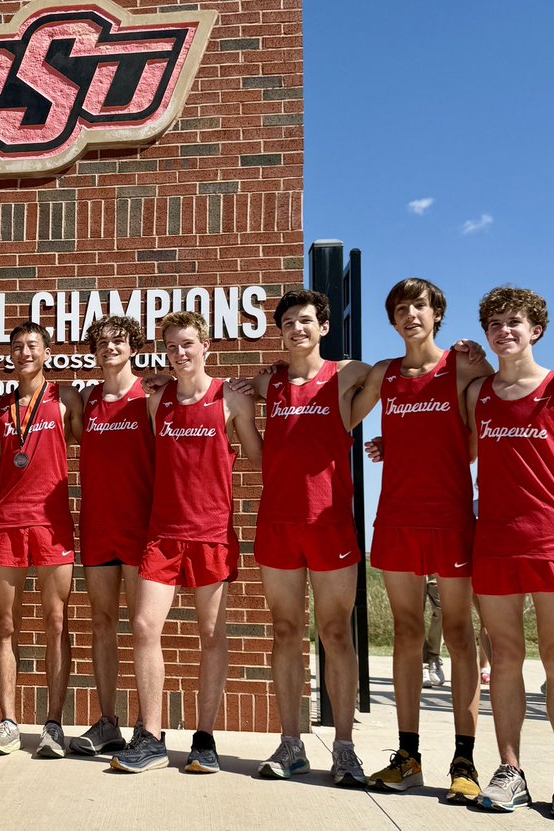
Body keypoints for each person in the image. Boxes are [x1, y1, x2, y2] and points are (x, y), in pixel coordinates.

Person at [353, 278, 554, 798]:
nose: (409, 315)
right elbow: (344, 415)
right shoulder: (387, 374)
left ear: (437, 313)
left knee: (461, 636)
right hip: (397, 517)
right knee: (410, 634)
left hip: (459, 518)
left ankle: (466, 762)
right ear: (391, 319)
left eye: (419, 306)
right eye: (399, 308)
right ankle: (409, 756)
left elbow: (488, 434)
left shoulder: (467, 368)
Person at [110, 311, 262, 773]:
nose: (180, 353)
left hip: (212, 534)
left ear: (206, 347)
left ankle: (205, 739)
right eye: (173, 346)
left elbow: (258, 456)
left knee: (212, 636)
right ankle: (152, 738)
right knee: (143, 626)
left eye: (188, 344)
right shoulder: (158, 403)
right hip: (164, 534)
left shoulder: (229, 399)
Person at [466, 287, 554, 818]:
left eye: (515, 322)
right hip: (494, 538)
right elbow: (460, 448)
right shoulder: (478, 393)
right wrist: (388, 447)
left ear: (536, 329)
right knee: (504, 657)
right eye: (494, 324)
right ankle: (511, 770)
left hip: (551, 535)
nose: (504, 331)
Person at [249, 289, 371, 787]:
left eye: (306, 321)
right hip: (278, 522)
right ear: (279, 333)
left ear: (323, 327)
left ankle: (344, 748)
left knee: (336, 632)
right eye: (288, 323)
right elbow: (241, 388)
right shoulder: (269, 382)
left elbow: (393, 371)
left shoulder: (345, 374)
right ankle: (292, 743)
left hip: (330, 524)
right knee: (284, 632)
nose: (296, 328)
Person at [0, 321, 83, 757]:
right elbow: (7, 466)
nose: (25, 352)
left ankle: (54, 724)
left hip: (51, 523)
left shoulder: (67, 399)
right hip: (7, 523)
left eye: (33, 346)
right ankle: (8, 722)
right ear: (11, 354)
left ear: (47, 353)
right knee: (5, 624)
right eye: (18, 346)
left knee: (55, 621)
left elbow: (86, 441)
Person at [70, 315, 153, 756]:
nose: (109, 348)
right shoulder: (87, 400)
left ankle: (146, 725)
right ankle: (108, 722)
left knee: (143, 629)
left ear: (133, 347)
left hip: (141, 529)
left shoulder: (152, 395)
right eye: (101, 343)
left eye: (118, 341)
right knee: (102, 624)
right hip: (98, 528)